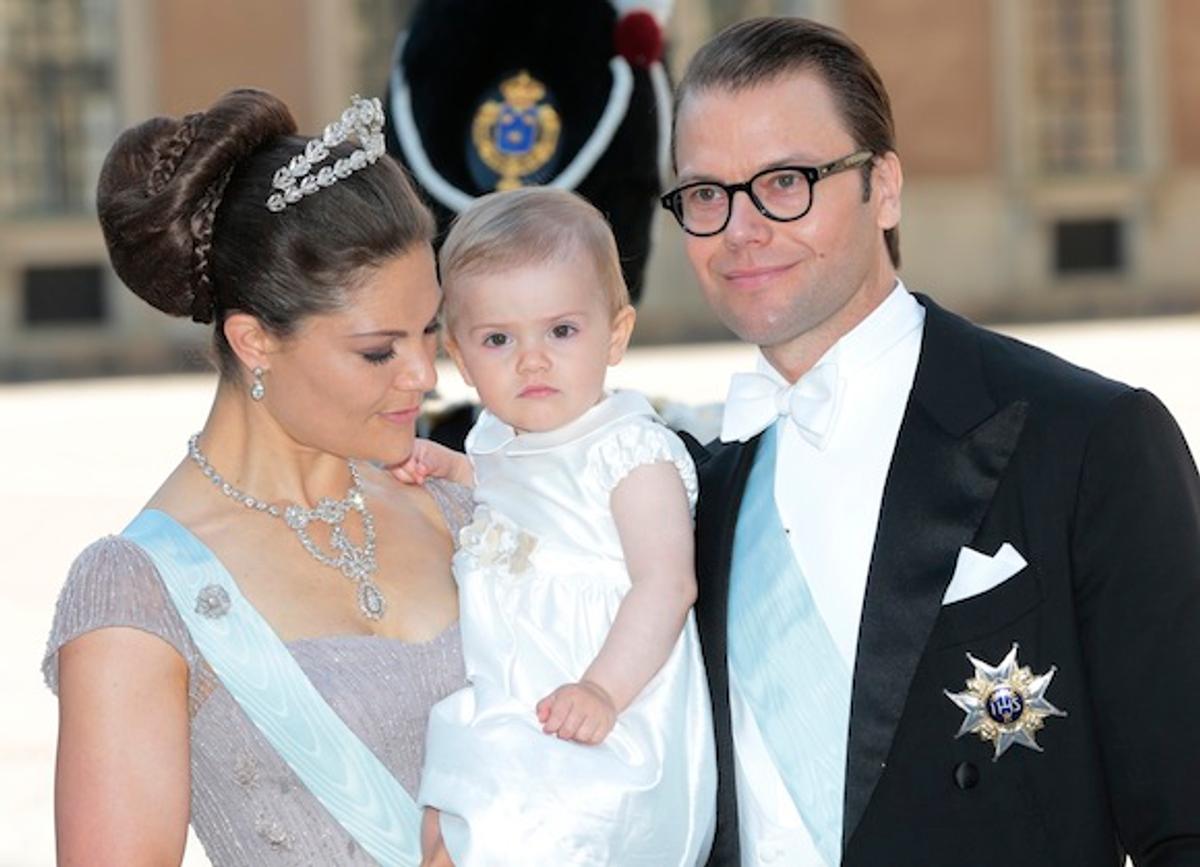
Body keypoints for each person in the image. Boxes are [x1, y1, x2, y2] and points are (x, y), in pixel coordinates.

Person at [661, 16, 1200, 867]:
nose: (740, 228)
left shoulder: (1089, 440)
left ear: (884, 187)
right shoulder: (686, 481)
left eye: (786, 181)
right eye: (705, 193)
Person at [42, 88, 474, 866]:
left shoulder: (453, 501)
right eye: (379, 350)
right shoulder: (140, 593)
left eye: (429, 330)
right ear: (254, 341)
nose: (424, 373)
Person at [395, 187, 717, 866]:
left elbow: (667, 584)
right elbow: (525, 497)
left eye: (561, 331)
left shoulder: (631, 450)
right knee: (448, 822)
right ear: (460, 354)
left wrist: (603, 688)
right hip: (515, 702)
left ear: (616, 334)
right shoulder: (494, 438)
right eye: (498, 339)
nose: (531, 359)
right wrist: (455, 470)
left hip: (611, 712)